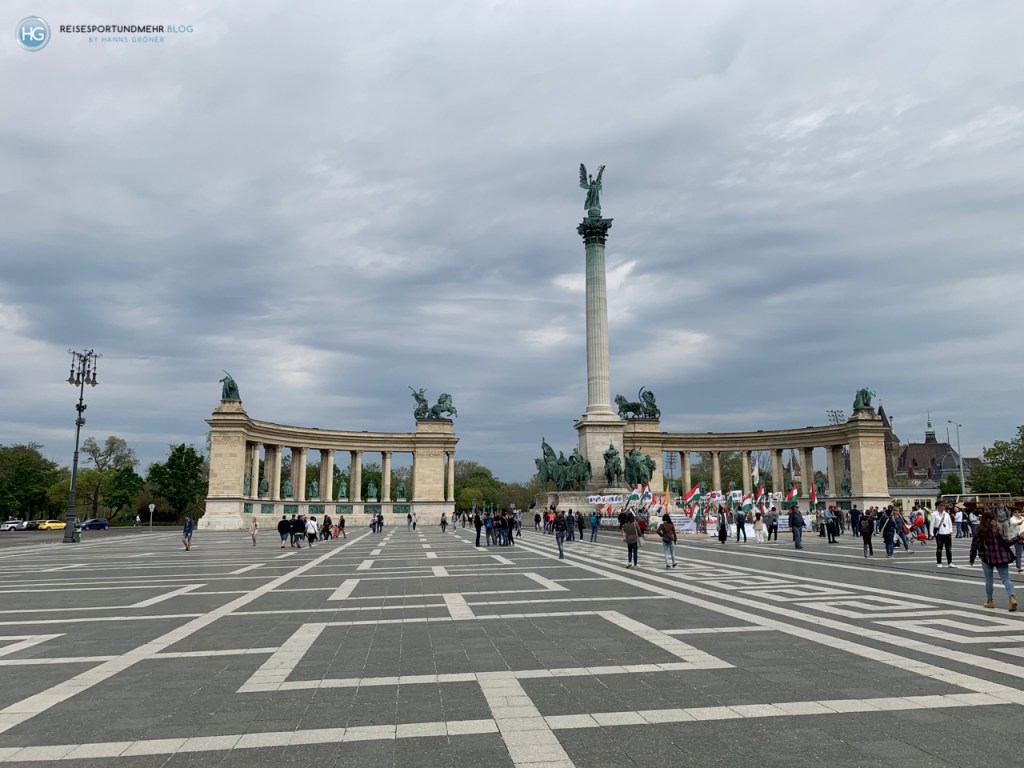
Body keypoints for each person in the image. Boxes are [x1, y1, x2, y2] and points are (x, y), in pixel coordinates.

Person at [969, 510, 1022, 611]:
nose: (996, 521)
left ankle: (990, 601)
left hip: (986, 558)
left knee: (989, 580)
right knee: (1006, 579)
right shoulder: (996, 530)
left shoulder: (978, 531)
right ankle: (1012, 597)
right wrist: (1018, 537)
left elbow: (974, 546)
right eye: (994, 519)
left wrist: (972, 559)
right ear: (989, 520)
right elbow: (1006, 542)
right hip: (1001, 557)